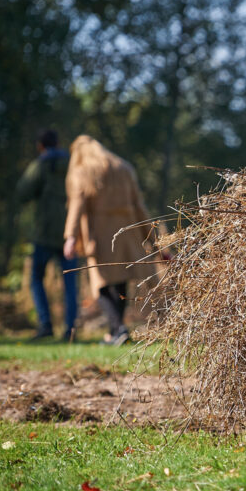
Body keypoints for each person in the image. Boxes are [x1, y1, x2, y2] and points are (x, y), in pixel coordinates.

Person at [63, 136, 161, 346]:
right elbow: (139, 206)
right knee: (120, 282)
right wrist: (153, 240)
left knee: (101, 286)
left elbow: (76, 204)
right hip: (128, 232)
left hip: (101, 234)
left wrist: (70, 237)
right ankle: (116, 332)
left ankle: (118, 329)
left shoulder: (83, 171)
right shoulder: (124, 168)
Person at [16, 129, 79, 341]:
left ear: (40, 146)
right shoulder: (72, 164)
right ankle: (70, 330)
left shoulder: (40, 165)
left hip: (44, 233)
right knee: (70, 283)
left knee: (35, 278)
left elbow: (22, 192)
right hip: (69, 234)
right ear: (59, 143)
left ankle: (45, 325)